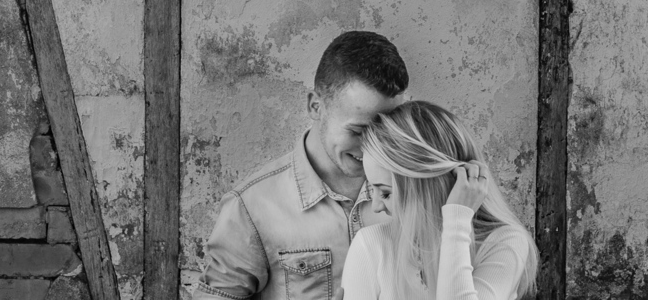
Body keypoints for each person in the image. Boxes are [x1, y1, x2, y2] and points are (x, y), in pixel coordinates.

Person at [193, 31, 410, 300]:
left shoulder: (418, 188)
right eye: (357, 131)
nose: (372, 148)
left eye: (386, 132)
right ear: (315, 106)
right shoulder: (252, 208)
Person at [342, 101, 538, 300]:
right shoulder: (372, 245)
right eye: (371, 189)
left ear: (426, 189)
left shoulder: (505, 242)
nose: (375, 207)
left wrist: (457, 219)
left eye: (385, 193)